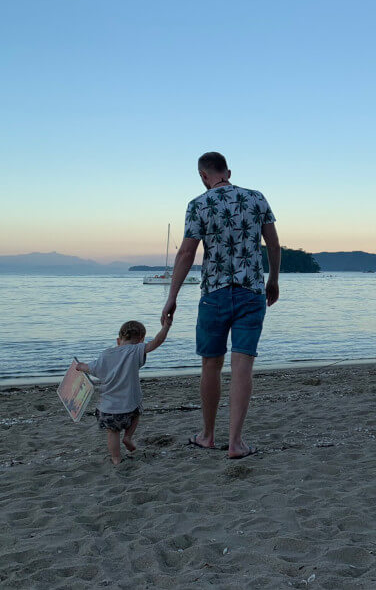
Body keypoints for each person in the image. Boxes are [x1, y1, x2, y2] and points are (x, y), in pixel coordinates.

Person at [162, 152, 279, 459]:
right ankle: (236, 443)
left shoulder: (199, 204)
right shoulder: (256, 198)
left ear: (203, 176)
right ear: (228, 171)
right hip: (251, 291)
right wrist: (274, 280)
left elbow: (186, 254)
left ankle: (208, 435)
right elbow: (274, 244)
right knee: (242, 367)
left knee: (210, 365)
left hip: (214, 292)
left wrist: (171, 296)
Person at [76, 319, 170, 465]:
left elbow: (92, 368)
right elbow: (157, 342)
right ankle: (128, 437)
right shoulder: (137, 350)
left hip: (107, 408)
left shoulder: (106, 354)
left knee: (112, 433)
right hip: (130, 405)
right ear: (141, 339)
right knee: (137, 413)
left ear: (118, 340)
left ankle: (116, 458)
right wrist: (166, 326)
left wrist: (81, 366)